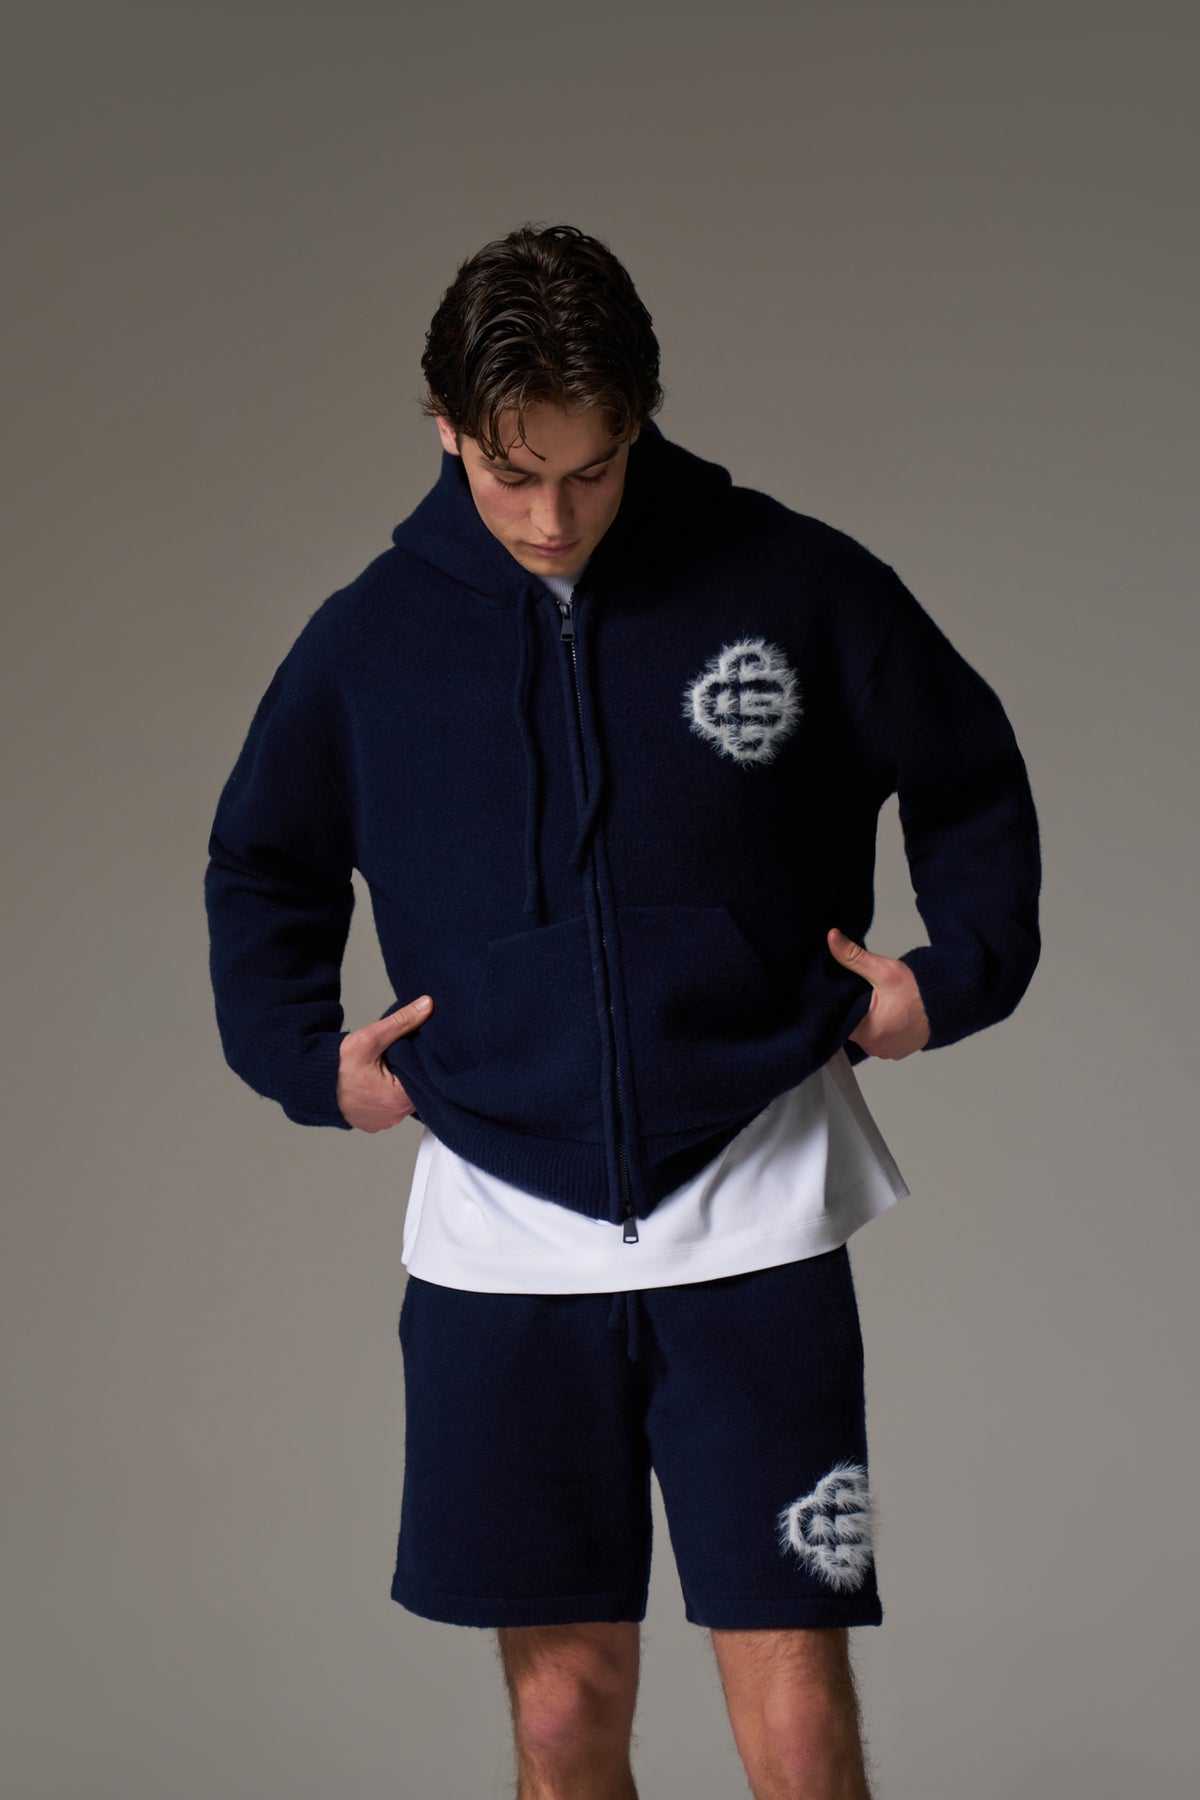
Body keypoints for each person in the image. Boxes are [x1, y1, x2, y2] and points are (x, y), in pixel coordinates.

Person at [204, 222, 1042, 1800]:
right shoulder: (370, 642)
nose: (550, 517)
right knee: (560, 1722)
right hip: (499, 1234)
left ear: (639, 420)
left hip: (759, 1209)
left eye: (589, 471)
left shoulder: (796, 582)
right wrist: (309, 1061)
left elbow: (970, 773)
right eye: (509, 474)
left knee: (798, 1731)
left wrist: (951, 976)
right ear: (445, 425)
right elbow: (264, 862)